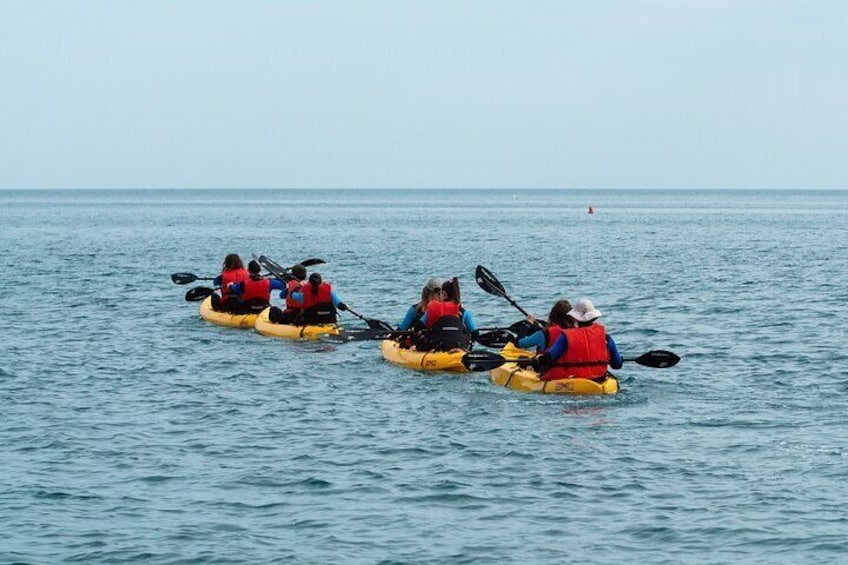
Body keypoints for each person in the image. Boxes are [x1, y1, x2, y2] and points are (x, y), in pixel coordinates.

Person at [531, 298, 622, 381]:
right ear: (594, 317)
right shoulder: (606, 338)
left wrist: (538, 361)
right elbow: (617, 365)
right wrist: (619, 359)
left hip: (573, 381)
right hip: (599, 380)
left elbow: (549, 358)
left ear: (574, 318)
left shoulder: (566, 336)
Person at [418, 278, 478, 351]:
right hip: (459, 346)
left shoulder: (433, 308)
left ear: (444, 294)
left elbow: (418, 326)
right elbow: (475, 333)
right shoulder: (463, 312)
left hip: (437, 346)